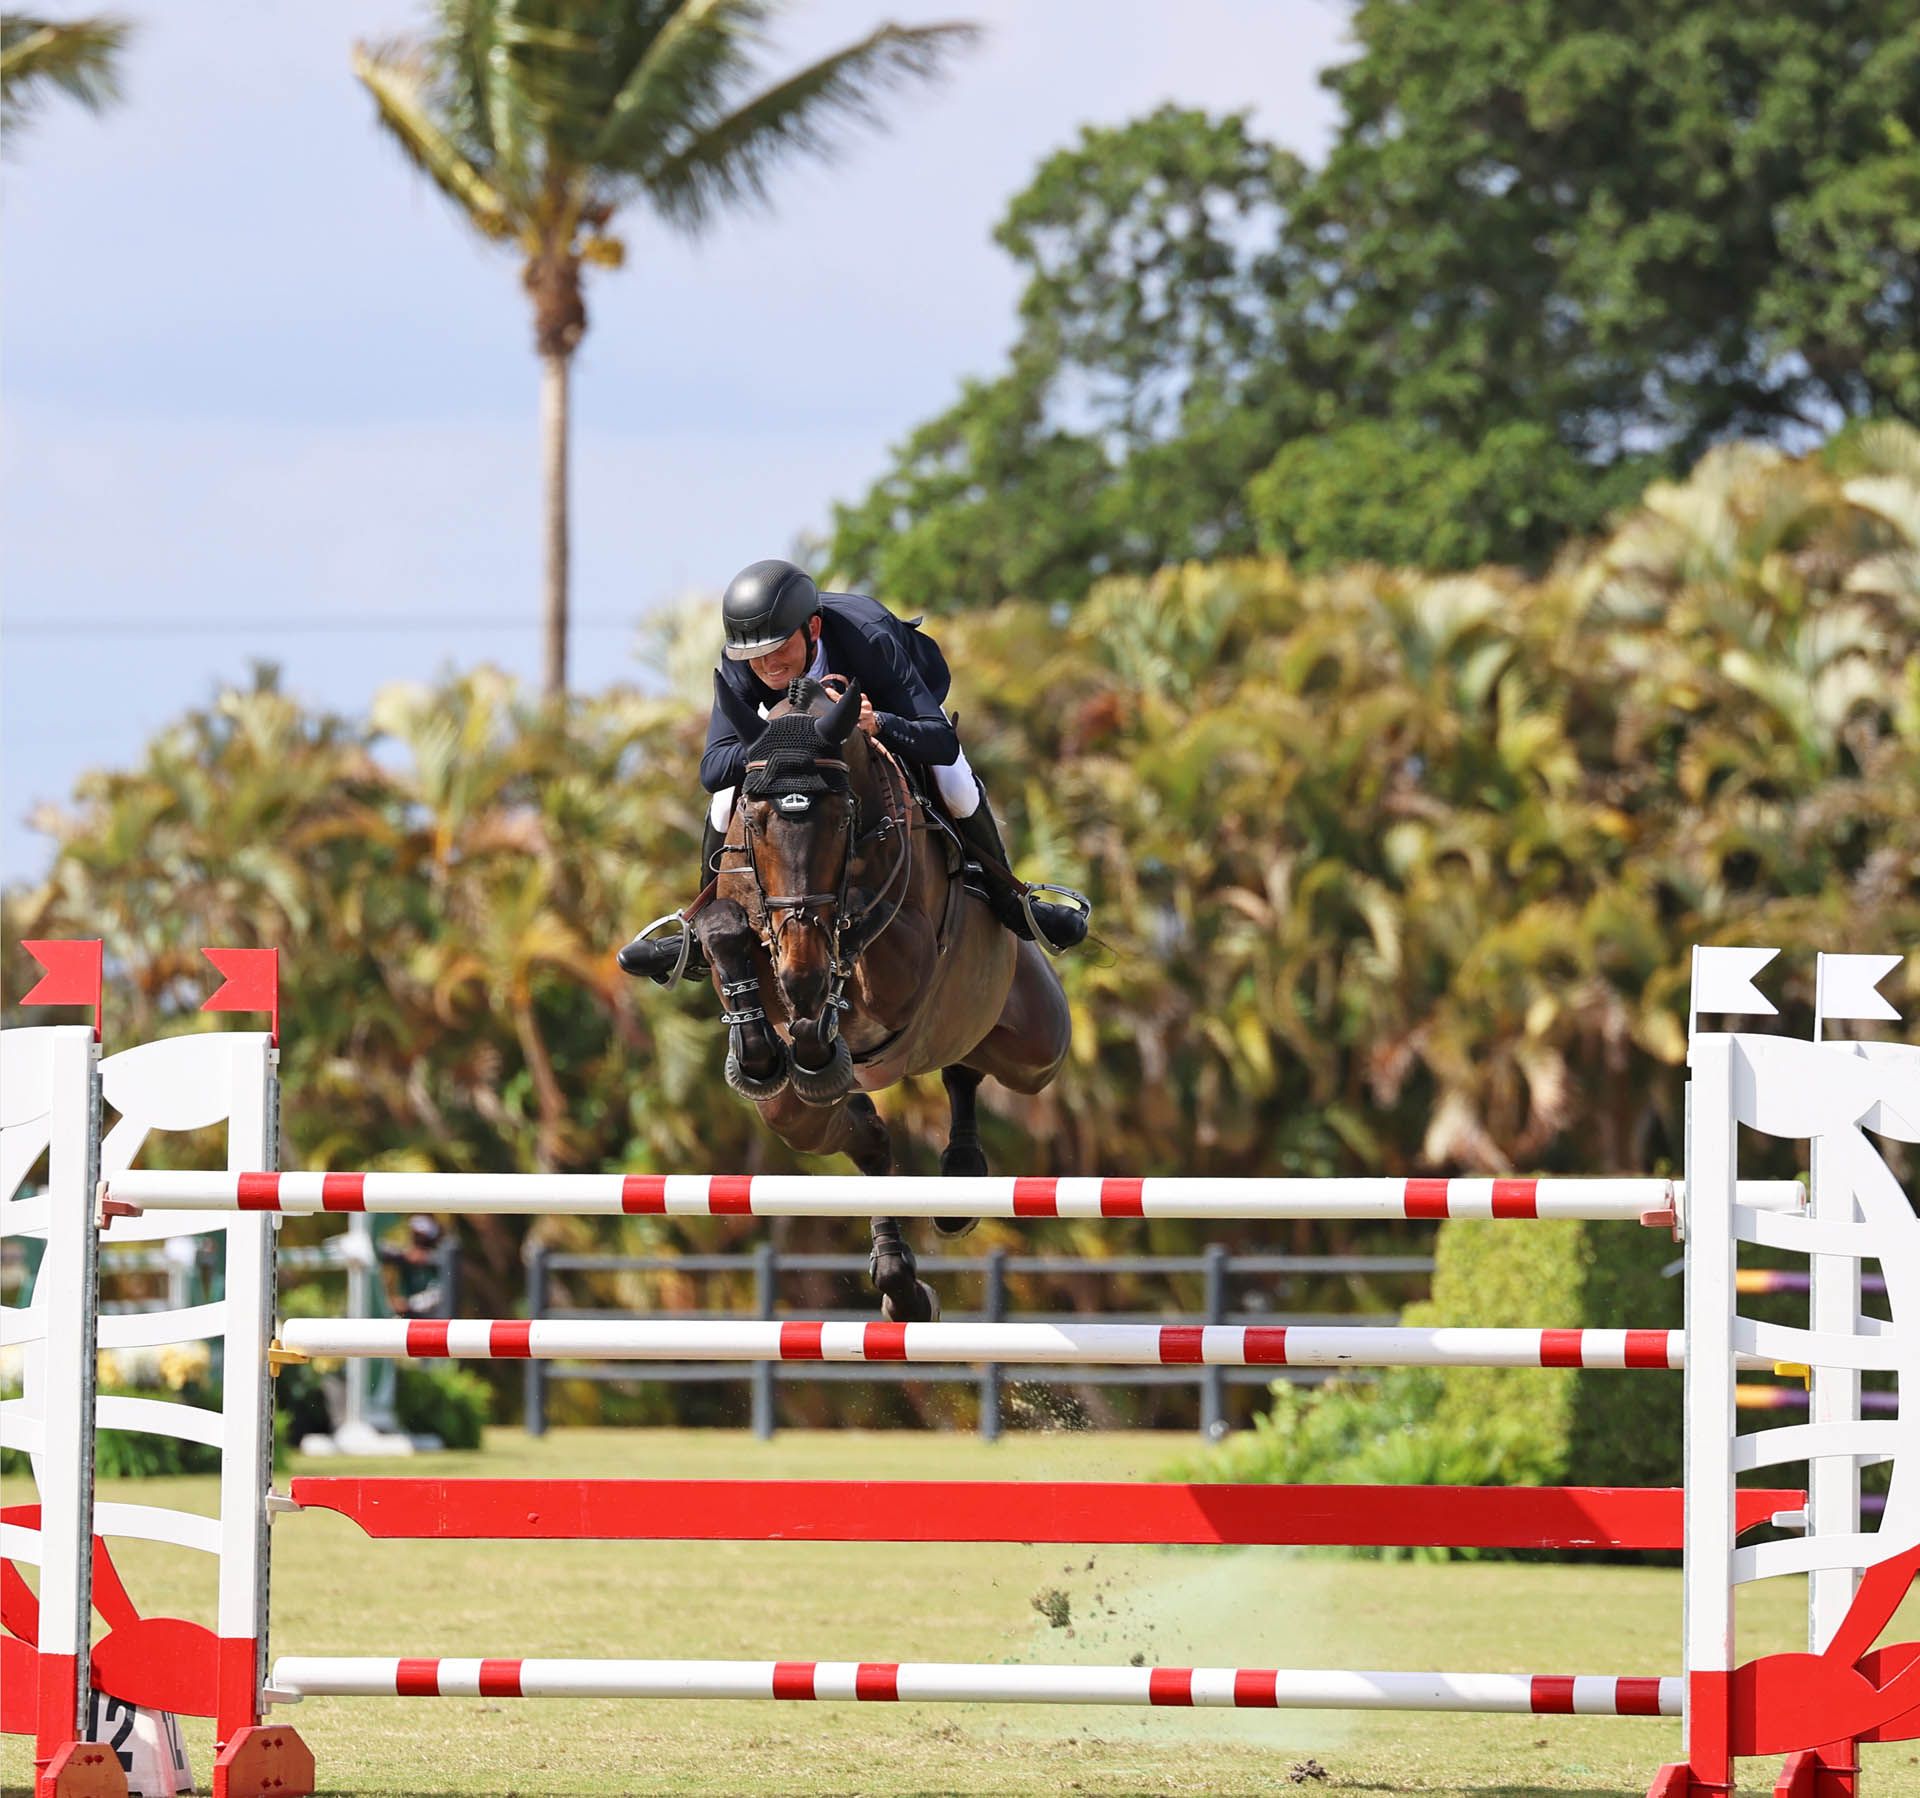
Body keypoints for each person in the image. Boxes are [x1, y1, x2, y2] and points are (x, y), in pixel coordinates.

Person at [619, 559, 1089, 983]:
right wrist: (777, 741)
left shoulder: (869, 638)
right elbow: (712, 768)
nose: (767, 665)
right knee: (724, 802)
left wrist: (878, 722)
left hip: (890, 706)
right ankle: (698, 928)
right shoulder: (743, 660)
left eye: (779, 648)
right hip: (791, 739)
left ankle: (1012, 901)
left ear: (813, 628)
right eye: (755, 656)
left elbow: (940, 741)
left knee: (956, 785)